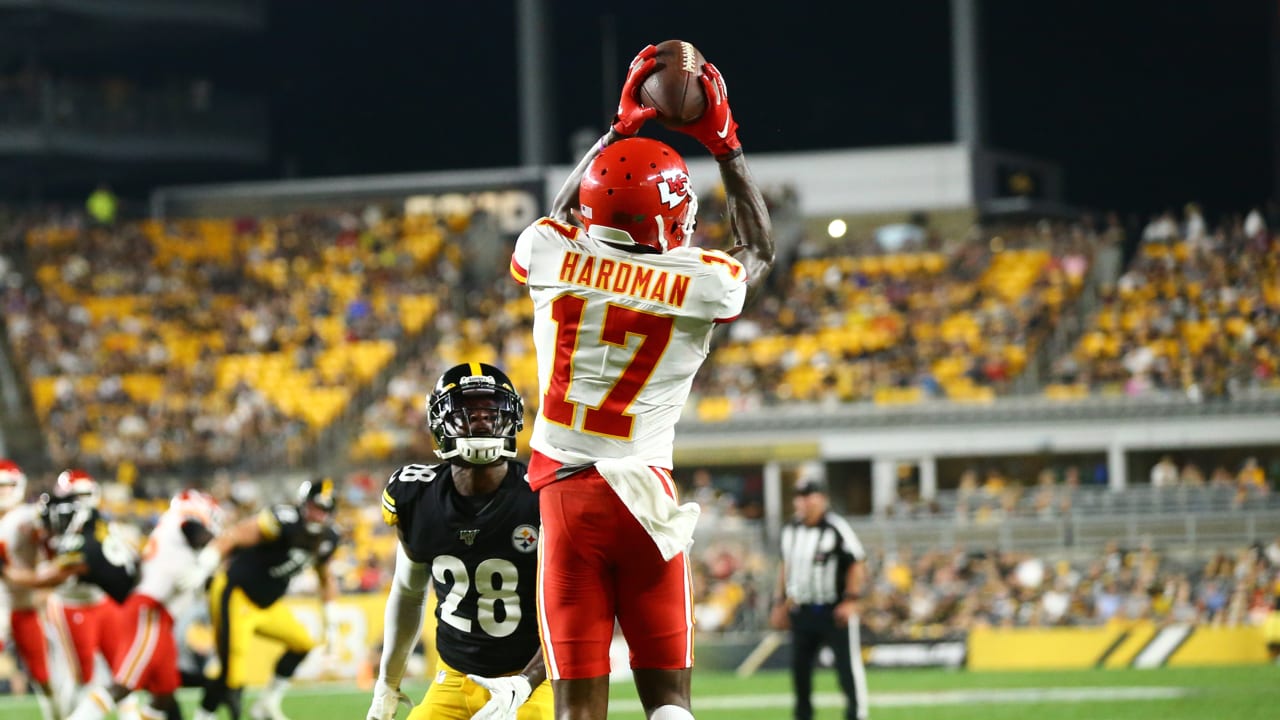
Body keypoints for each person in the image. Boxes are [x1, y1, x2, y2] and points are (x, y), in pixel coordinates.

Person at [509, 43, 774, 720]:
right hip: (646, 501)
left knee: (576, 710)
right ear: (670, 216)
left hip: (567, 504)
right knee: (671, 707)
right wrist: (727, 146)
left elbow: (558, 215)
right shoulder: (700, 282)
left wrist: (617, 132)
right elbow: (760, 251)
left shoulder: (550, 253)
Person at [367, 362, 550, 720]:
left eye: (489, 410)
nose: (480, 420)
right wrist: (387, 683)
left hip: (536, 677)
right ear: (440, 423)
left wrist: (525, 683)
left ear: (511, 417)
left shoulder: (542, 493)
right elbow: (408, 592)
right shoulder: (414, 494)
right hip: (454, 678)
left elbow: (576, 607)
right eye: (467, 411)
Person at [182, 479, 342, 720]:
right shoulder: (284, 520)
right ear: (303, 504)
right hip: (236, 594)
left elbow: (325, 576)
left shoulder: (327, 538)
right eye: (315, 507)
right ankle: (203, 716)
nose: (318, 515)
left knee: (303, 643)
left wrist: (330, 618)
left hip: (267, 604)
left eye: (324, 510)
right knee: (232, 674)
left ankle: (267, 703)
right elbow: (235, 535)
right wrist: (205, 564)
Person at [63, 489, 223, 720]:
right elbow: (196, 532)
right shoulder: (182, 521)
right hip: (149, 612)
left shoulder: (169, 527)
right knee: (123, 685)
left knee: (164, 693)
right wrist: (218, 551)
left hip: (161, 617)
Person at [770, 477, 868, 720]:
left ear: (823, 499)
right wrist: (779, 603)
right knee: (800, 672)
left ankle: (856, 715)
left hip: (833, 611)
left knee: (847, 670)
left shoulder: (836, 527)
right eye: (800, 496)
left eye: (809, 495)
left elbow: (856, 562)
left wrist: (851, 600)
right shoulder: (790, 529)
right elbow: (784, 565)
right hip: (801, 610)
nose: (803, 501)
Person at [0, 459, 62, 720]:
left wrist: (44, 584)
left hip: (25, 602)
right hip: (2, 603)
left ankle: (57, 715)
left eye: (7, 485)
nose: (2, 491)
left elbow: (52, 550)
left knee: (42, 673)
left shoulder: (28, 516)